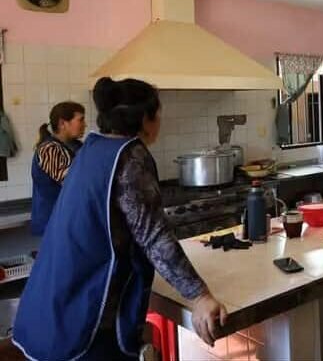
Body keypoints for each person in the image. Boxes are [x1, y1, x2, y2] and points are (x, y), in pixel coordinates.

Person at [13, 78, 226, 360]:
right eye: (158, 113)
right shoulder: (130, 157)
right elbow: (154, 237)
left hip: (48, 309)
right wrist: (199, 295)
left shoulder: (92, 147)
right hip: (83, 318)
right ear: (145, 118)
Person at [30, 101, 86, 236]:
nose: (85, 124)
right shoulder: (49, 149)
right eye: (80, 120)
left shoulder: (76, 145)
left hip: (69, 217)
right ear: (62, 123)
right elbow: (72, 182)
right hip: (54, 221)